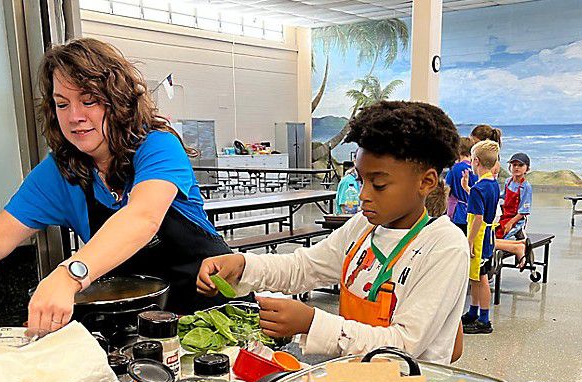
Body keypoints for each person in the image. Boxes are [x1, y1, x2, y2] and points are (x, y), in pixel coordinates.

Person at [0, 38, 235, 332]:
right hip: (139, 327)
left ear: (118, 101)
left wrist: (68, 275)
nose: (74, 115)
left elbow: (141, 218)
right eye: (62, 104)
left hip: (214, 317)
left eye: (89, 100)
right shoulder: (62, 171)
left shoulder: (157, 146)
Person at [196, 101, 468, 364]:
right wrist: (243, 265)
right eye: (361, 181)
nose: (363, 195)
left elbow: (404, 345)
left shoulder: (444, 246)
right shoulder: (364, 227)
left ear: (426, 181)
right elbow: (304, 267)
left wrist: (312, 323)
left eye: (379, 184)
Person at [462, 140, 500, 335]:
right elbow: (483, 206)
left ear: (476, 161)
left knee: (481, 278)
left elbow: (477, 217)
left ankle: (484, 319)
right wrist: (468, 189)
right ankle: (473, 311)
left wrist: (468, 242)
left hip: (479, 237)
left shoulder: (479, 188)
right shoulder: (491, 184)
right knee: (476, 277)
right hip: (488, 235)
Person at [494, 153, 534, 269]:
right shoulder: (508, 182)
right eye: (514, 165)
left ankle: (521, 247)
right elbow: (503, 196)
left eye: (520, 165)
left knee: (501, 237)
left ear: (527, 168)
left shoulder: (526, 187)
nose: (516, 168)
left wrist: (511, 223)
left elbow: (523, 211)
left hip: (516, 219)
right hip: (504, 215)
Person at [446, 137, 477, 233]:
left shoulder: (454, 169)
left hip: (457, 213)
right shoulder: (476, 169)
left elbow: (447, 189)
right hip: (473, 212)